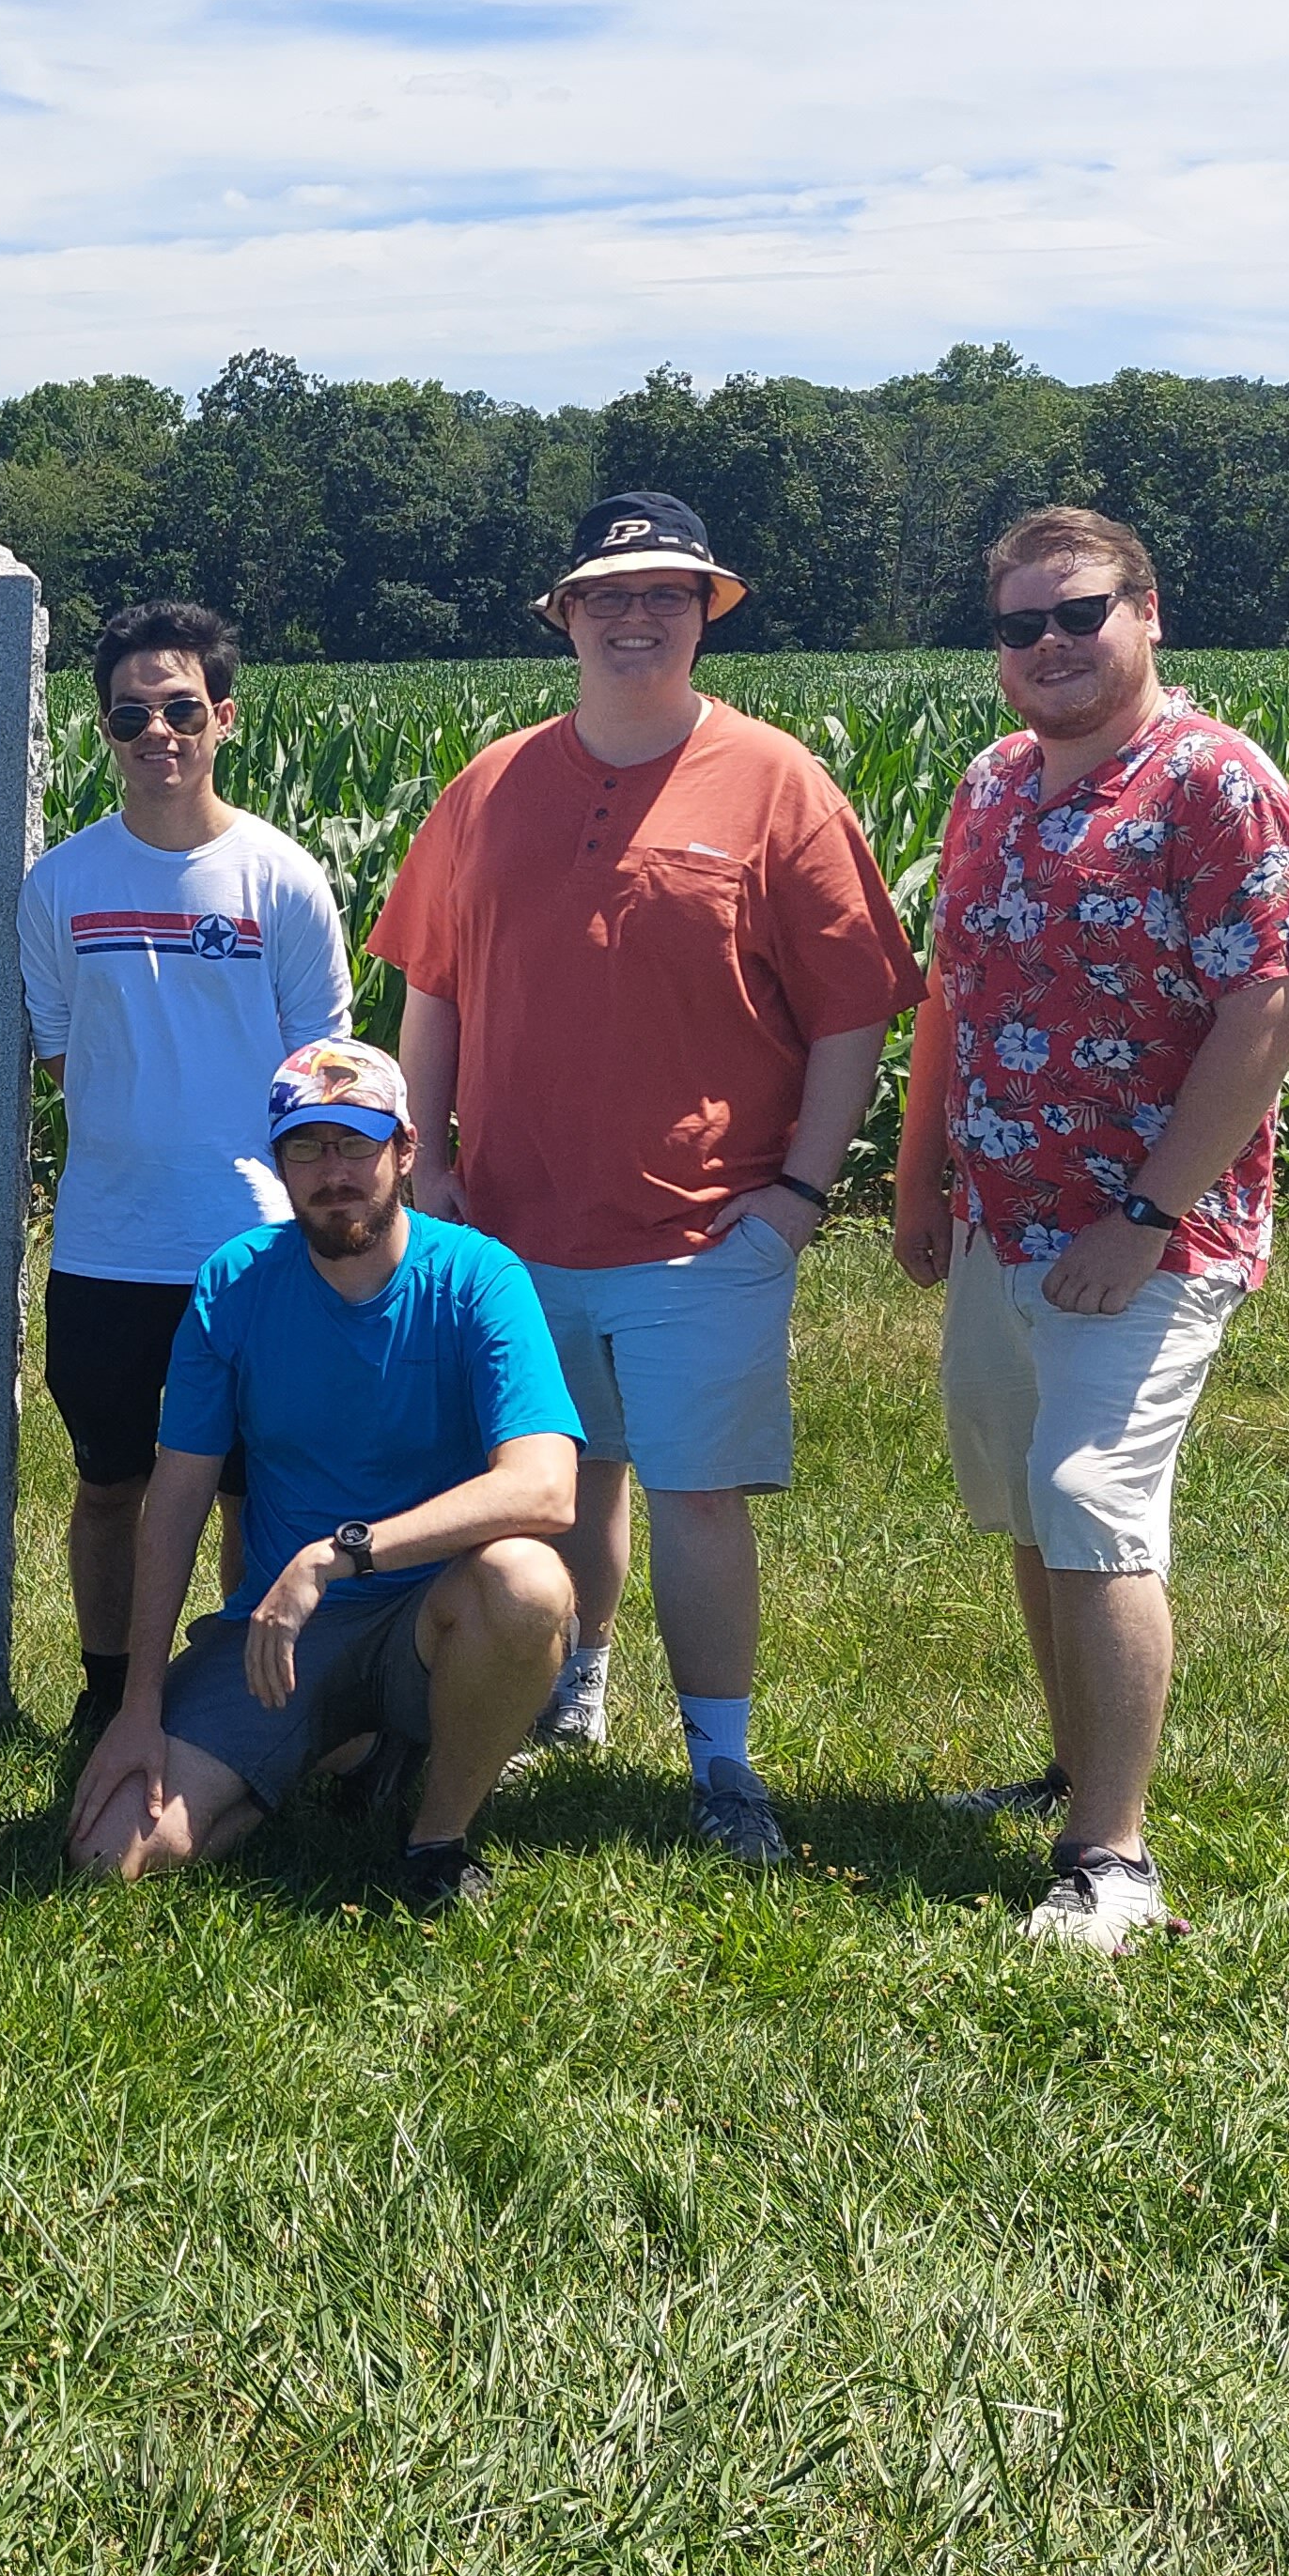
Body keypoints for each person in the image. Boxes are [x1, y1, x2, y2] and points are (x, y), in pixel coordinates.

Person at [365, 491, 922, 1867]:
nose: (636, 614)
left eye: (668, 592)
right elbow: (429, 987)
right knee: (564, 1480)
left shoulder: (777, 780)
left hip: (703, 1224)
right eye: (609, 594)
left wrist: (799, 1192)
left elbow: (856, 1001)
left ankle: (722, 1763)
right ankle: (577, 1681)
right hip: (506, 1223)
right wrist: (422, 1164)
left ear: (707, 610)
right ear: (563, 614)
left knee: (697, 1493)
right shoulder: (489, 786)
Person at [892, 506, 1289, 1955]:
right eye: (1021, 626)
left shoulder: (1214, 783)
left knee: (1091, 1496)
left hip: (1143, 1233)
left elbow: (1269, 1004)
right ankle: (1074, 1772)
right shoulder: (994, 781)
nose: (1051, 647)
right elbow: (953, 988)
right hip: (1000, 1217)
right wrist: (919, 1177)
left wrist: (1147, 1214)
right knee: (1027, 1497)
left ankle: (1115, 1860)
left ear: (1148, 613)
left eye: (1080, 614)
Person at [68, 1040, 582, 1909]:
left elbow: (546, 1487)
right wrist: (139, 1705)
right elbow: (179, 1498)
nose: (331, 1171)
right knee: (107, 1852)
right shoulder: (231, 1285)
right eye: (305, 1147)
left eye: (355, 1143)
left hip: (438, 1620)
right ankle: (346, 1751)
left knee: (526, 1580)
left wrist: (336, 1555)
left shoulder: (479, 1278)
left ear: (405, 1150)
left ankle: (436, 1840)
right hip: (282, 1642)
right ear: (279, 1163)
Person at [18, 596, 352, 1732]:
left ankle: (234, 1701)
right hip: (108, 1243)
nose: (156, 732)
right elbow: (66, 1054)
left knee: (249, 1498)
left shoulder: (282, 877)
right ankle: (108, 1695)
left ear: (223, 718)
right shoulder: (58, 885)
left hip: (255, 1243)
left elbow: (321, 1069)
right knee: (109, 1485)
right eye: (129, 714)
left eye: (179, 708)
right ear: (100, 730)